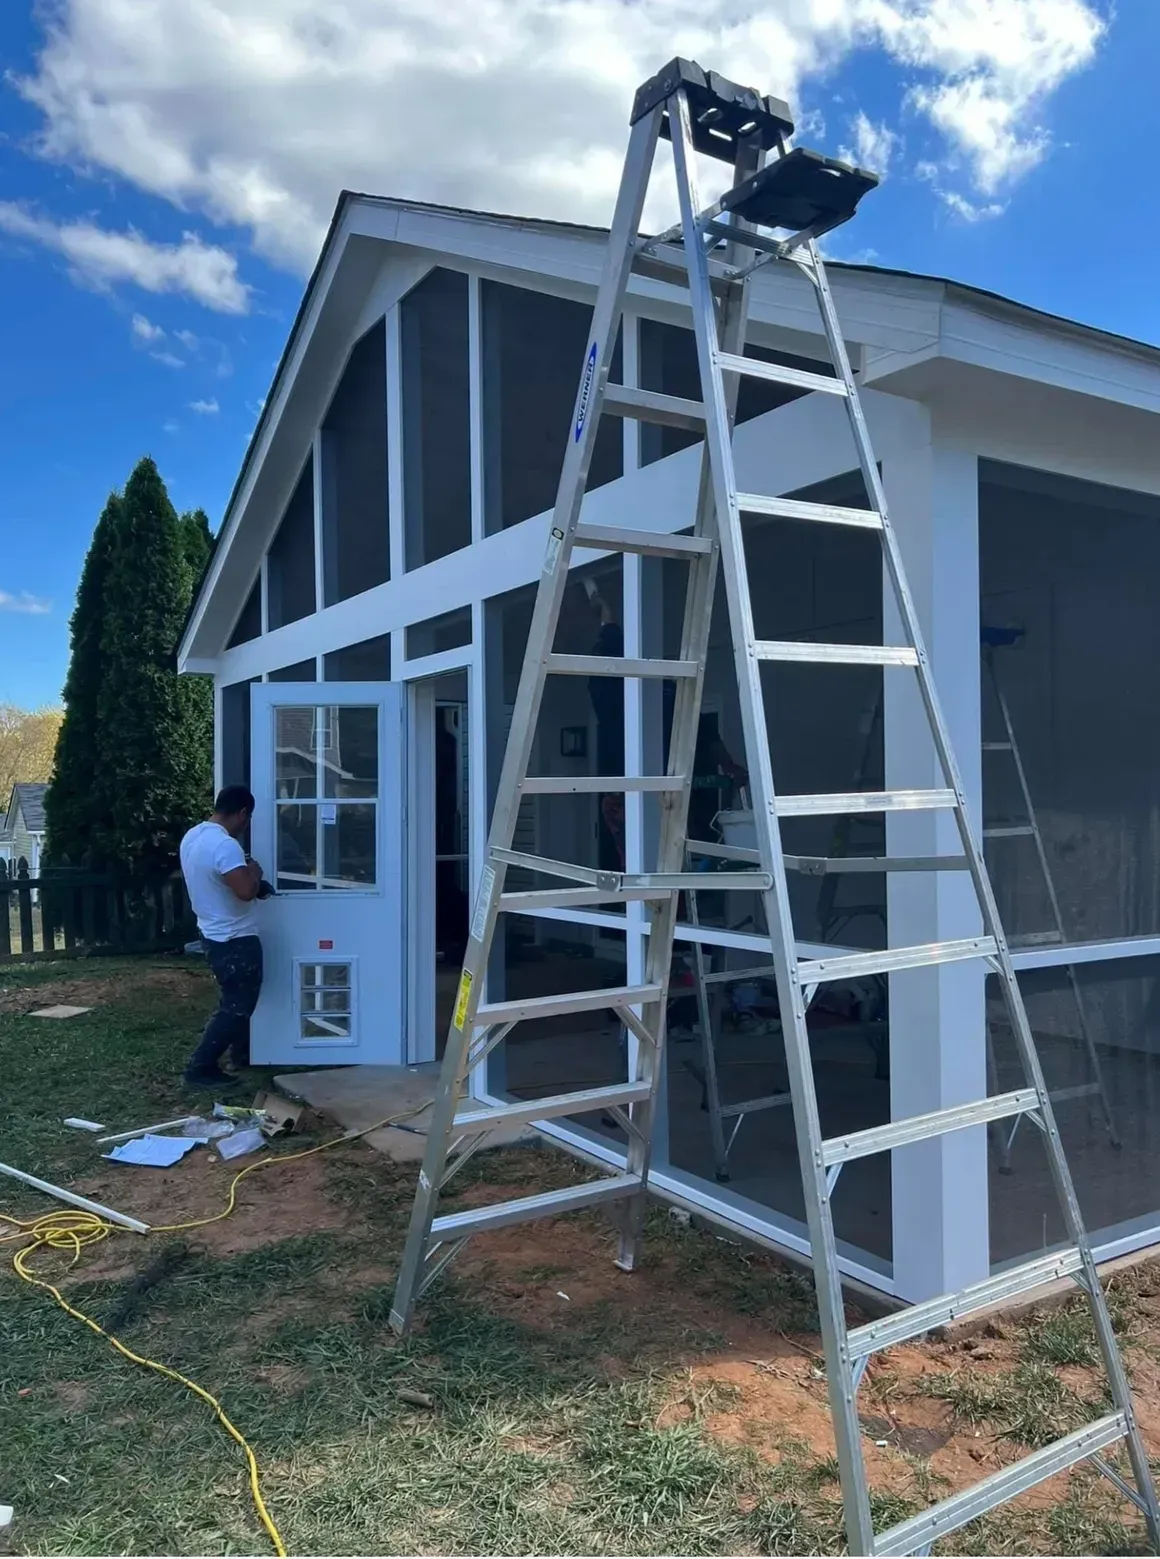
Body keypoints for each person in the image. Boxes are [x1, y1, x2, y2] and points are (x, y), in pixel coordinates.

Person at [180, 784, 267, 1087]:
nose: (247, 824)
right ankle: (200, 1068)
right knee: (237, 1005)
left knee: (235, 1000)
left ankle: (240, 1055)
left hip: (212, 932)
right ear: (242, 813)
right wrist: (254, 873)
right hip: (235, 938)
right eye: (249, 817)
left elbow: (219, 883)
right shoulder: (224, 846)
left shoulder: (193, 837)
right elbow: (244, 891)